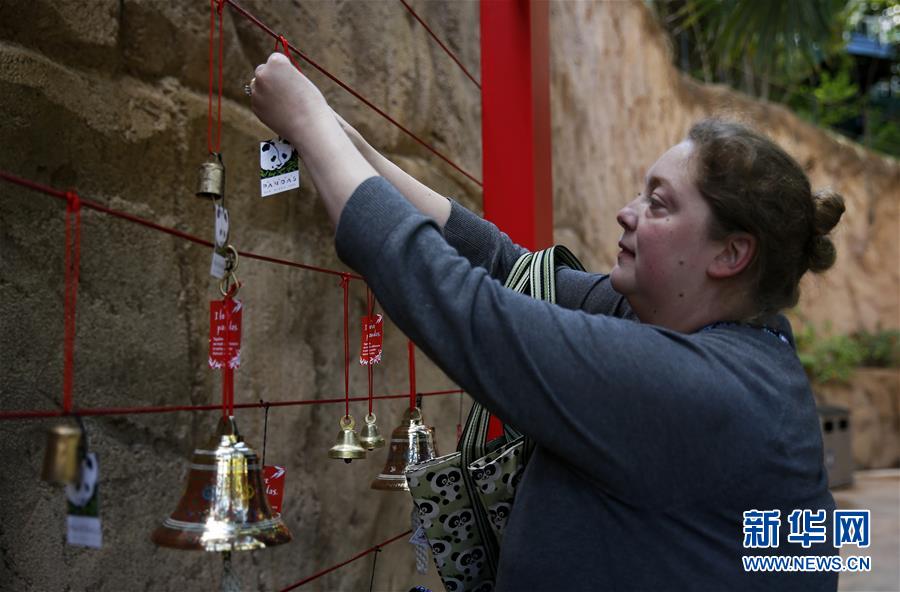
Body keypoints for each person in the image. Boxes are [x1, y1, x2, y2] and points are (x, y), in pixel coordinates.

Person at [250, 53, 846, 591]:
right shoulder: (708, 334)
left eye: (659, 203)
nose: (627, 213)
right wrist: (354, 149)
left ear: (730, 254)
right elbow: (507, 267)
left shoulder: (697, 389)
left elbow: (465, 310)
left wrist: (308, 122)